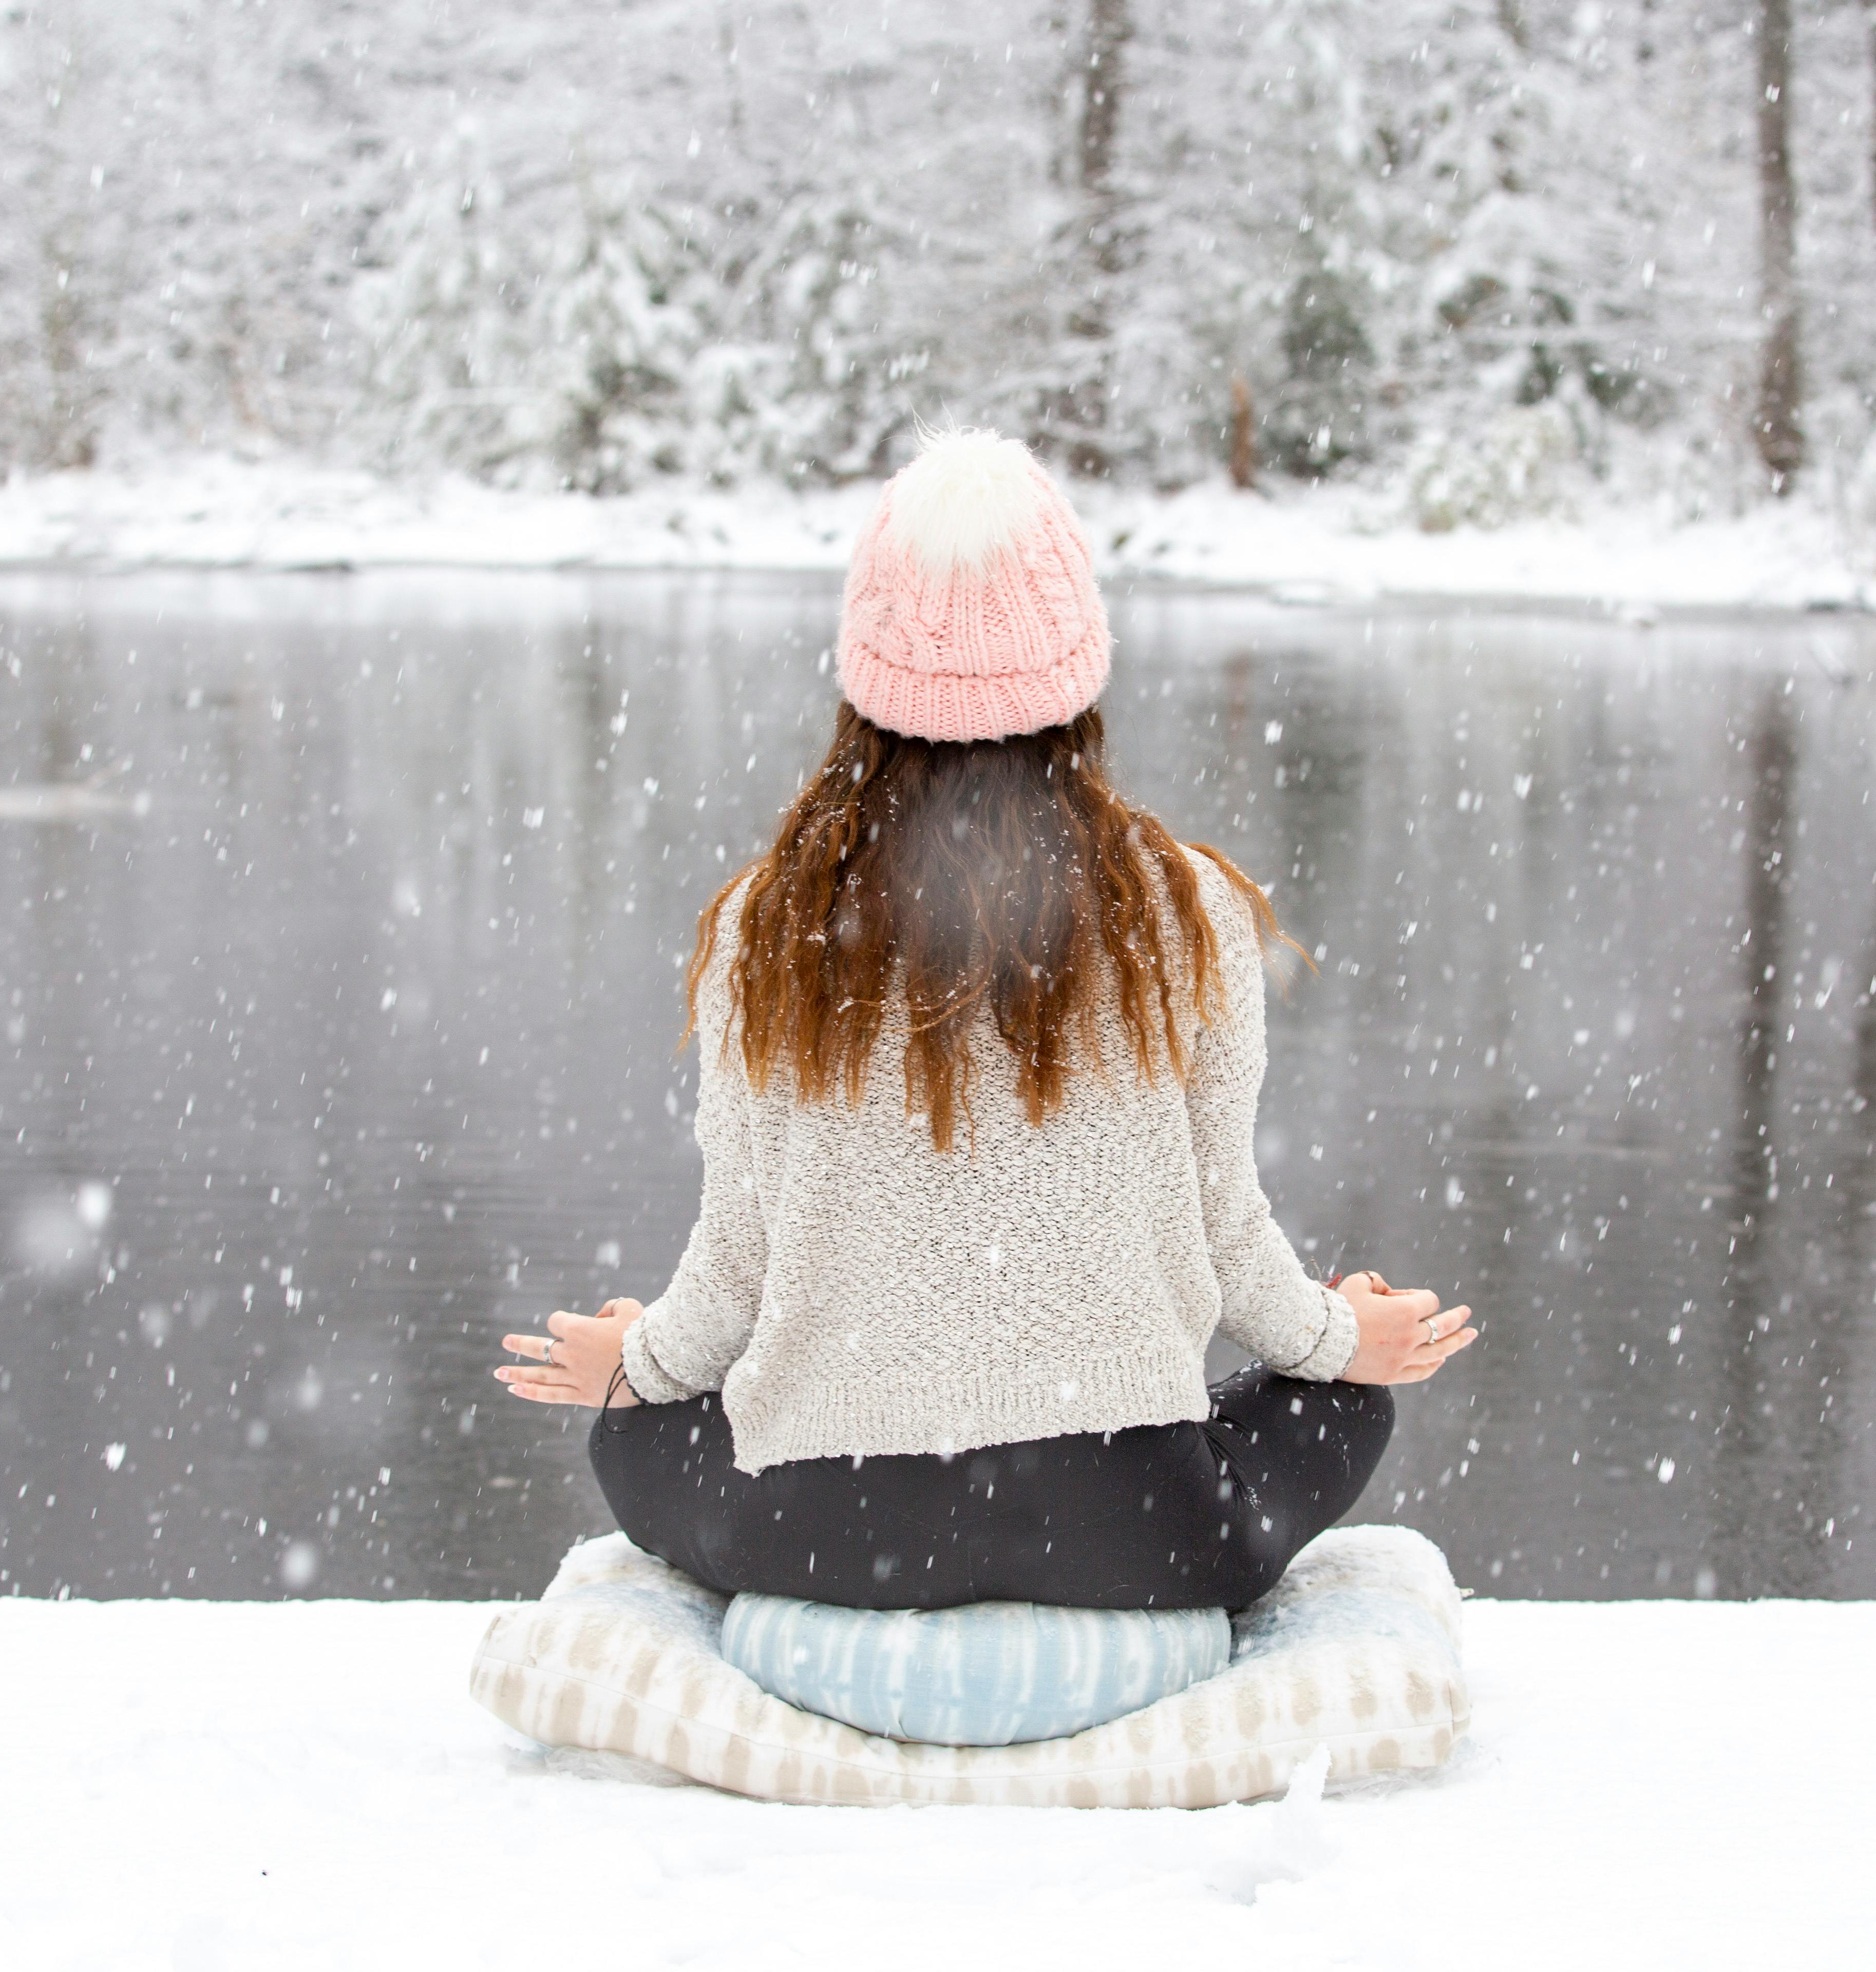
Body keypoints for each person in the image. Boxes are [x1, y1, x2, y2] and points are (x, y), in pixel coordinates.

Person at [495, 429, 1473, 1611]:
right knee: (1340, 1401)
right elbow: (1228, 1233)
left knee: (630, 1439)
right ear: (1078, 669)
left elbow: (736, 1265)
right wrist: (1340, 1342)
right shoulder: (1189, 909)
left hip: (826, 1535)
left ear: (867, 673)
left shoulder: (766, 925)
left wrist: (636, 1367)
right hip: (1138, 1538)